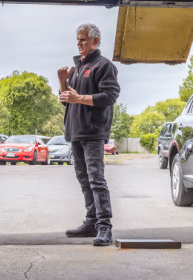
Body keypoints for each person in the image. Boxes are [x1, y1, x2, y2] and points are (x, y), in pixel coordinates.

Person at [57, 23, 120, 246]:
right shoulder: (77, 68)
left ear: (95, 41)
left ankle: (105, 227)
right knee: (84, 180)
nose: (79, 43)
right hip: (75, 132)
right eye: (78, 39)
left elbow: (110, 96)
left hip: (93, 132)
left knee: (96, 180)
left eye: (83, 39)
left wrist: (80, 98)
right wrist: (63, 80)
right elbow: (66, 98)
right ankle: (91, 221)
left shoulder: (104, 66)